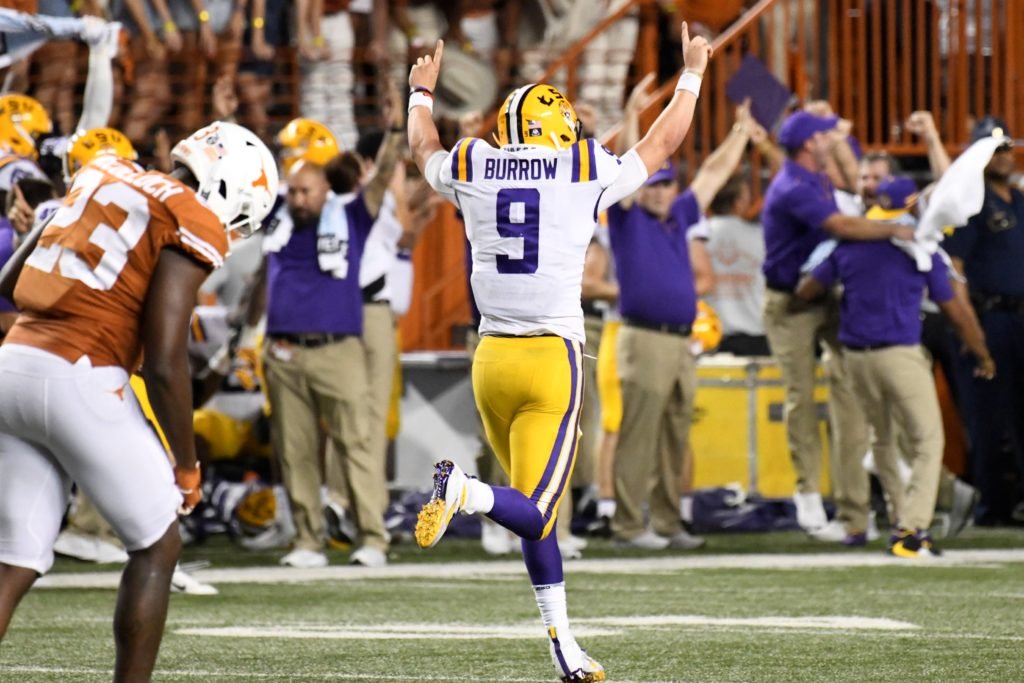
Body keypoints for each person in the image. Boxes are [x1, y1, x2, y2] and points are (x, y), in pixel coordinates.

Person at [407, 24, 712, 681]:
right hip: (550, 357)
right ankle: (463, 489)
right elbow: (660, 143)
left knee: (535, 517)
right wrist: (690, 74)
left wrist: (421, 94)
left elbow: (423, 147)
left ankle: (563, 643)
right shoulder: (582, 165)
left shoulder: (474, 161)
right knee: (538, 506)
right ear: (561, 128)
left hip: (490, 358)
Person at [0, 120, 277, 678]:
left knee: (15, 557)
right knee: (158, 544)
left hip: (13, 363)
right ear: (230, 192)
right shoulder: (190, 215)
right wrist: (186, 466)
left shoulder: (100, 168)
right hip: (79, 373)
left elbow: (9, 282)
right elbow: (164, 355)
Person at [796, 175, 994, 556]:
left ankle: (901, 517)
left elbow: (807, 289)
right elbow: (955, 310)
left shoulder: (848, 245)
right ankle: (912, 528)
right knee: (927, 440)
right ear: (911, 206)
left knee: (881, 439)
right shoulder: (920, 248)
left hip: (855, 357)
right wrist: (982, 353)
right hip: (899, 354)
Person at [259, 85, 404, 570]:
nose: (297, 198)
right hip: (282, 351)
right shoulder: (275, 216)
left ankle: (373, 536)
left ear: (326, 190)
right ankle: (306, 539)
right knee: (295, 451)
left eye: (306, 190)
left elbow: (382, 176)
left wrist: (397, 131)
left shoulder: (353, 215)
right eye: (294, 190)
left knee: (357, 443)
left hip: (338, 348)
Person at [761, 110, 914, 541]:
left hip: (822, 292)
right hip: (789, 302)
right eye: (826, 134)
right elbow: (842, 225)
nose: (834, 138)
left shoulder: (814, 174)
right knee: (802, 398)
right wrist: (893, 230)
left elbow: (853, 185)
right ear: (810, 145)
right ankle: (809, 499)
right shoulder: (795, 185)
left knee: (851, 392)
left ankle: (855, 510)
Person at [943, 118, 1024, 526]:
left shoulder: (1019, 200)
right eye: (994, 149)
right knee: (987, 415)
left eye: (1006, 148)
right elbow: (954, 273)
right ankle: (993, 507)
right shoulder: (967, 203)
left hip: (1020, 317)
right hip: (987, 317)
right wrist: (969, 333)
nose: (1004, 156)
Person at [704, 173, 769, 356]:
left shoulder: (694, 237)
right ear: (739, 202)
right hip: (756, 337)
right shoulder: (760, 237)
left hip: (709, 339)